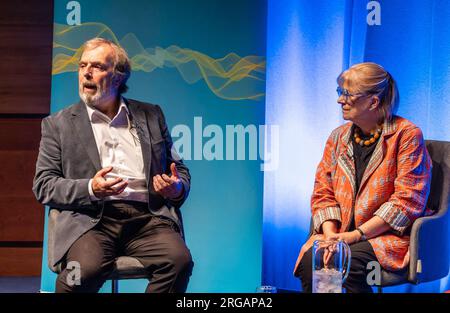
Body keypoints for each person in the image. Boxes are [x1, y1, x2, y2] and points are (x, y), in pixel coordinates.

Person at [33, 38, 193, 293]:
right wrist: (92, 188)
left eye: (96, 66)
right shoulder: (58, 125)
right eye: (82, 65)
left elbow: (179, 170)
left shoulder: (151, 115)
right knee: (78, 276)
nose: (86, 72)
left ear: (118, 77)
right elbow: (44, 186)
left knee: (179, 262)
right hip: (90, 221)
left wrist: (176, 188)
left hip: (147, 220)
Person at [293, 62, 432, 293]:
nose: (340, 100)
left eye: (347, 94)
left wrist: (355, 236)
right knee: (311, 262)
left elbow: (407, 202)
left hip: (385, 238)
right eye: (340, 92)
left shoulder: (407, 136)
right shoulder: (337, 138)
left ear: (373, 101)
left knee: (348, 264)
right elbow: (322, 193)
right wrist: (331, 237)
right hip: (339, 236)